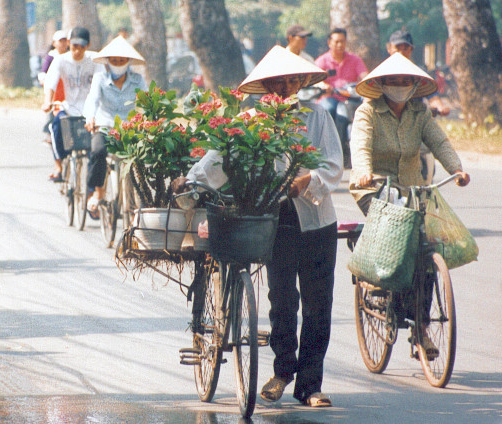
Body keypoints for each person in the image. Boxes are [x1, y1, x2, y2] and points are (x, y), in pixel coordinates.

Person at [173, 46, 343, 407]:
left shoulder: (318, 118)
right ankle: (283, 371)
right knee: (282, 299)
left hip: (317, 221)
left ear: (300, 82)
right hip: (273, 219)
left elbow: (332, 166)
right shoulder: (250, 120)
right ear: (266, 86)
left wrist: (307, 180)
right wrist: (188, 182)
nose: (286, 87)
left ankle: (310, 385)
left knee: (318, 304)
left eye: (293, 80)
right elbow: (216, 159)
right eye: (278, 82)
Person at [349, 52, 469, 215]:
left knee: (432, 233)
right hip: (374, 188)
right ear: (382, 83)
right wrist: (364, 171)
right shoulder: (367, 112)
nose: (400, 85)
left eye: (405, 81)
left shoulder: (421, 113)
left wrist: (456, 170)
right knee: (392, 227)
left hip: (412, 189)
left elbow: (439, 142)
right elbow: (360, 146)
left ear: (414, 85)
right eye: (393, 81)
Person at [83, 35, 147, 218]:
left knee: (141, 158)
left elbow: (146, 101)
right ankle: (98, 192)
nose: (118, 63)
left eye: (122, 60)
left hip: (129, 128)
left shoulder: (138, 80)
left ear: (128, 62)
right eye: (114, 60)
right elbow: (93, 100)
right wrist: (90, 118)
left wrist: (148, 120)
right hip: (104, 126)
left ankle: (140, 198)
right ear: (108, 62)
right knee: (98, 152)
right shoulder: (100, 78)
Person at [42, 27, 101, 182]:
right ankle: (59, 165)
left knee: (96, 145)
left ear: (88, 45)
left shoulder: (95, 59)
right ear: (69, 43)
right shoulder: (61, 60)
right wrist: (48, 101)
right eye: (74, 46)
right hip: (69, 107)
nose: (77, 51)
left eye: (82, 47)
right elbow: (51, 81)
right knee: (55, 126)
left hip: (91, 110)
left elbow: (100, 82)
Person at [315, 28, 368, 157]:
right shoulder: (322, 60)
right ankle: (324, 148)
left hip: (350, 99)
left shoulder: (355, 59)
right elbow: (314, 79)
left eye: (342, 41)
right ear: (329, 43)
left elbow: (365, 76)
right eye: (336, 41)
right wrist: (323, 85)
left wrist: (368, 85)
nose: (340, 45)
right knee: (328, 108)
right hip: (330, 97)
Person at [386, 30, 450, 117]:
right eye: (397, 48)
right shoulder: (381, 74)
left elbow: (432, 97)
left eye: (405, 49)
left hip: (413, 120)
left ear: (411, 49)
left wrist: (440, 107)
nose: (401, 53)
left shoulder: (418, 75)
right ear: (389, 49)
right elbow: (368, 99)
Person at [37, 30, 68, 148]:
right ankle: (49, 133)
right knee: (52, 110)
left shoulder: (70, 55)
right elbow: (43, 71)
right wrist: (44, 80)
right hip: (54, 88)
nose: (63, 44)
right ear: (54, 43)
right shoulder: (51, 57)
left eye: (65, 41)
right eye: (60, 41)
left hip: (66, 88)